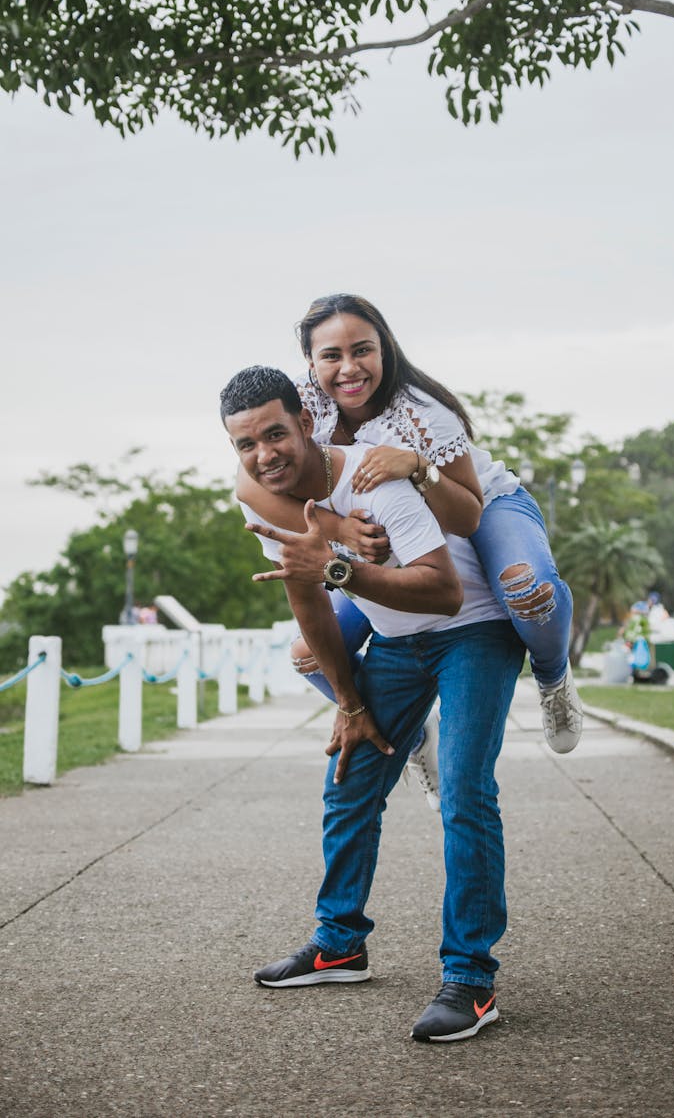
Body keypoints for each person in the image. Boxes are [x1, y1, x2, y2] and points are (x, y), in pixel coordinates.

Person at [221, 365, 526, 1043]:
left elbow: (443, 590)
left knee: (467, 789)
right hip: (397, 643)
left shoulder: (372, 478)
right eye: (246, 444)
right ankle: (339, 944)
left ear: (306, 421)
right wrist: (351, 703)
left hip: (471, 630)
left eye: (276, 433)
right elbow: (307, 603)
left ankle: (472, 978)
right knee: (352, 777)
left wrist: (335, 567)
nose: (264, 454)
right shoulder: (260, 501)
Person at [235, 293, 582, 771]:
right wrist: (340, 530)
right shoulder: (303, 401)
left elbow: (467, 517)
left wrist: (418, 467)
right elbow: (247, 485)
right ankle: (414, 739)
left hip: (480, 504)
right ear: (311, 362)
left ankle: (553, 675)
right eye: (331, 355)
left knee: (528, 588)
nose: (348, 368)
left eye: (362, 350)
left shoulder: (422, 411)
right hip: (395, 535)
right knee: (307, 655)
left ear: (385, 349)